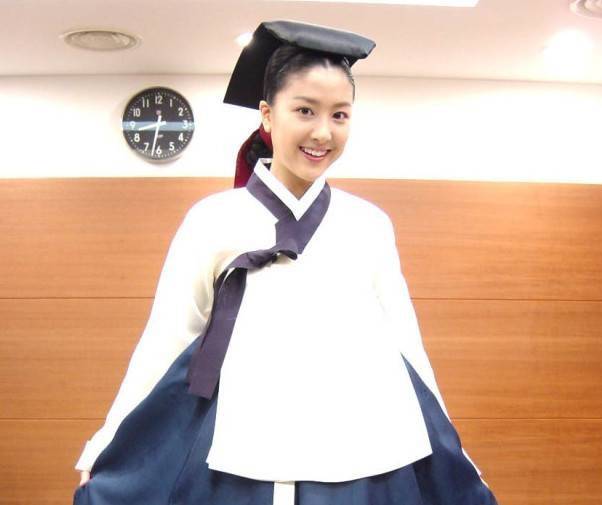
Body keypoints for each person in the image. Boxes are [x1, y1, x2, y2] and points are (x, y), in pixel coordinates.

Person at [73, 19, 499, 505]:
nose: (323, 131)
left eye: (340, 115)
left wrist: (457, 455)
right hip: (240, 446)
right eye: (305, 110)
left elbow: (408, 347)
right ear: (267, 115)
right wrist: (107, 442)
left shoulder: (369, 225)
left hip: (360, 448)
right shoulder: (212, 219)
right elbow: (166, 339)